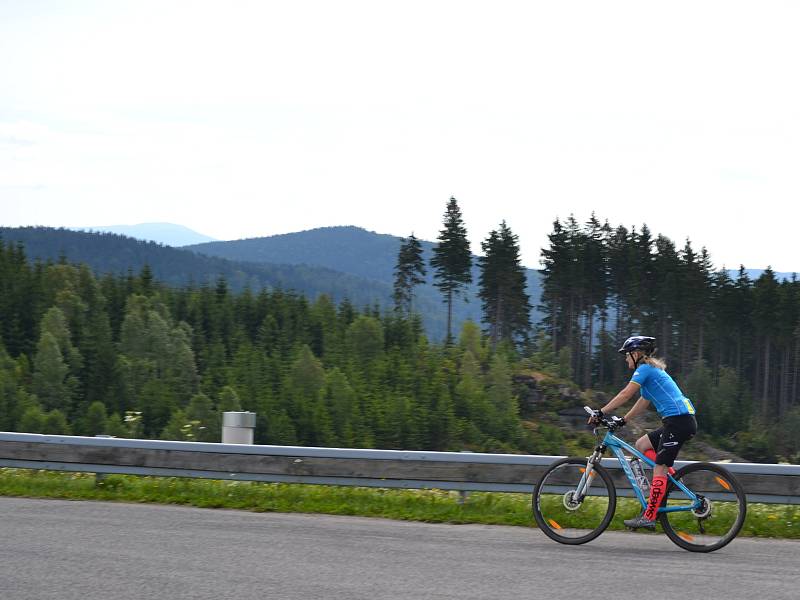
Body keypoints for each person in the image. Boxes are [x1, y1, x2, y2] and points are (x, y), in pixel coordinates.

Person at [588, 335, 697, 529]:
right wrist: (623, 420)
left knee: (659, 468)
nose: (625, 359)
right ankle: (669, 481)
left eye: (627, 355)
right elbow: (642, 401)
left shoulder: (645, 369)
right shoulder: (651, 372)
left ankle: (649, 515)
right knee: (641, 445)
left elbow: (626, 394)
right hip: (678, 421)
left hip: (678, 422)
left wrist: (601, 412)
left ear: (636, 354)